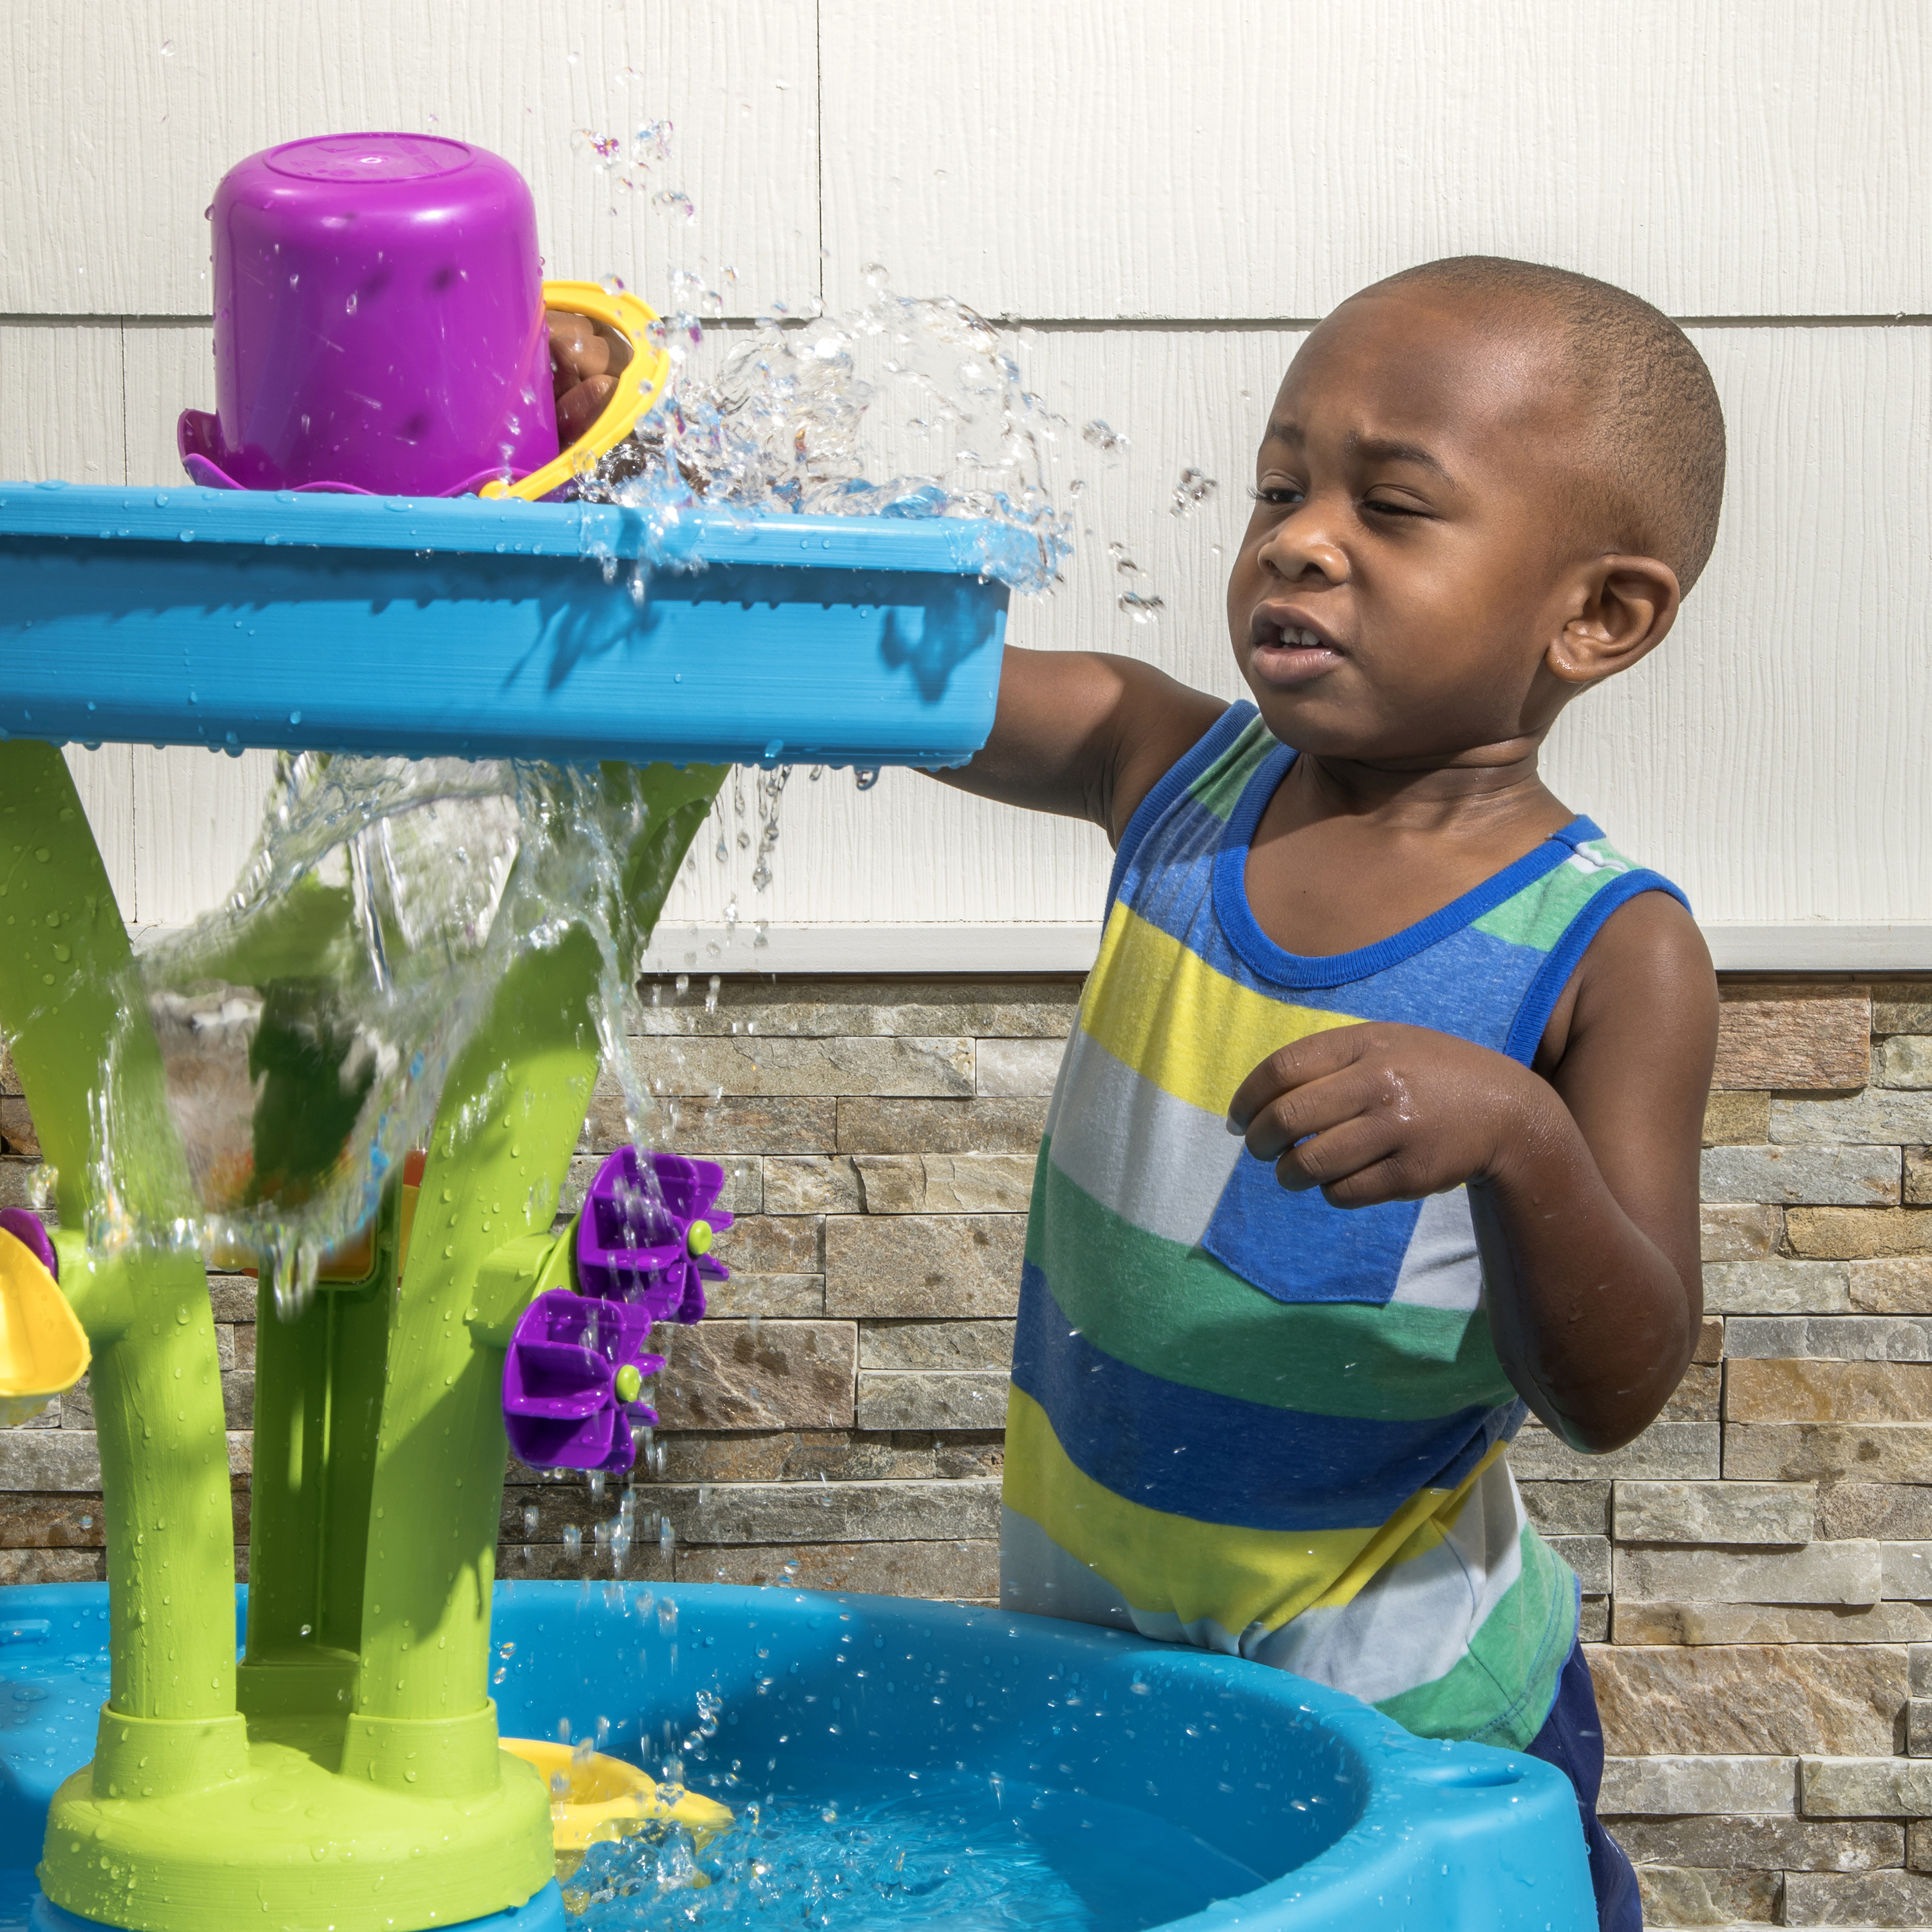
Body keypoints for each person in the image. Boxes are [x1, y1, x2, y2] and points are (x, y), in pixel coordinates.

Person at [938, 256, 1726, 1932]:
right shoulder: (1162, 768)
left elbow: (1621, 1384)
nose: (1299, 540)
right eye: (1280, 487)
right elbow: (888, 679)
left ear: (1597, 616)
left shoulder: (1606, 950)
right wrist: (633, 500)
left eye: (1394, 506)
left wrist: (1520, 1140)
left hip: (1409, 1716)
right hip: (1104, 1659)